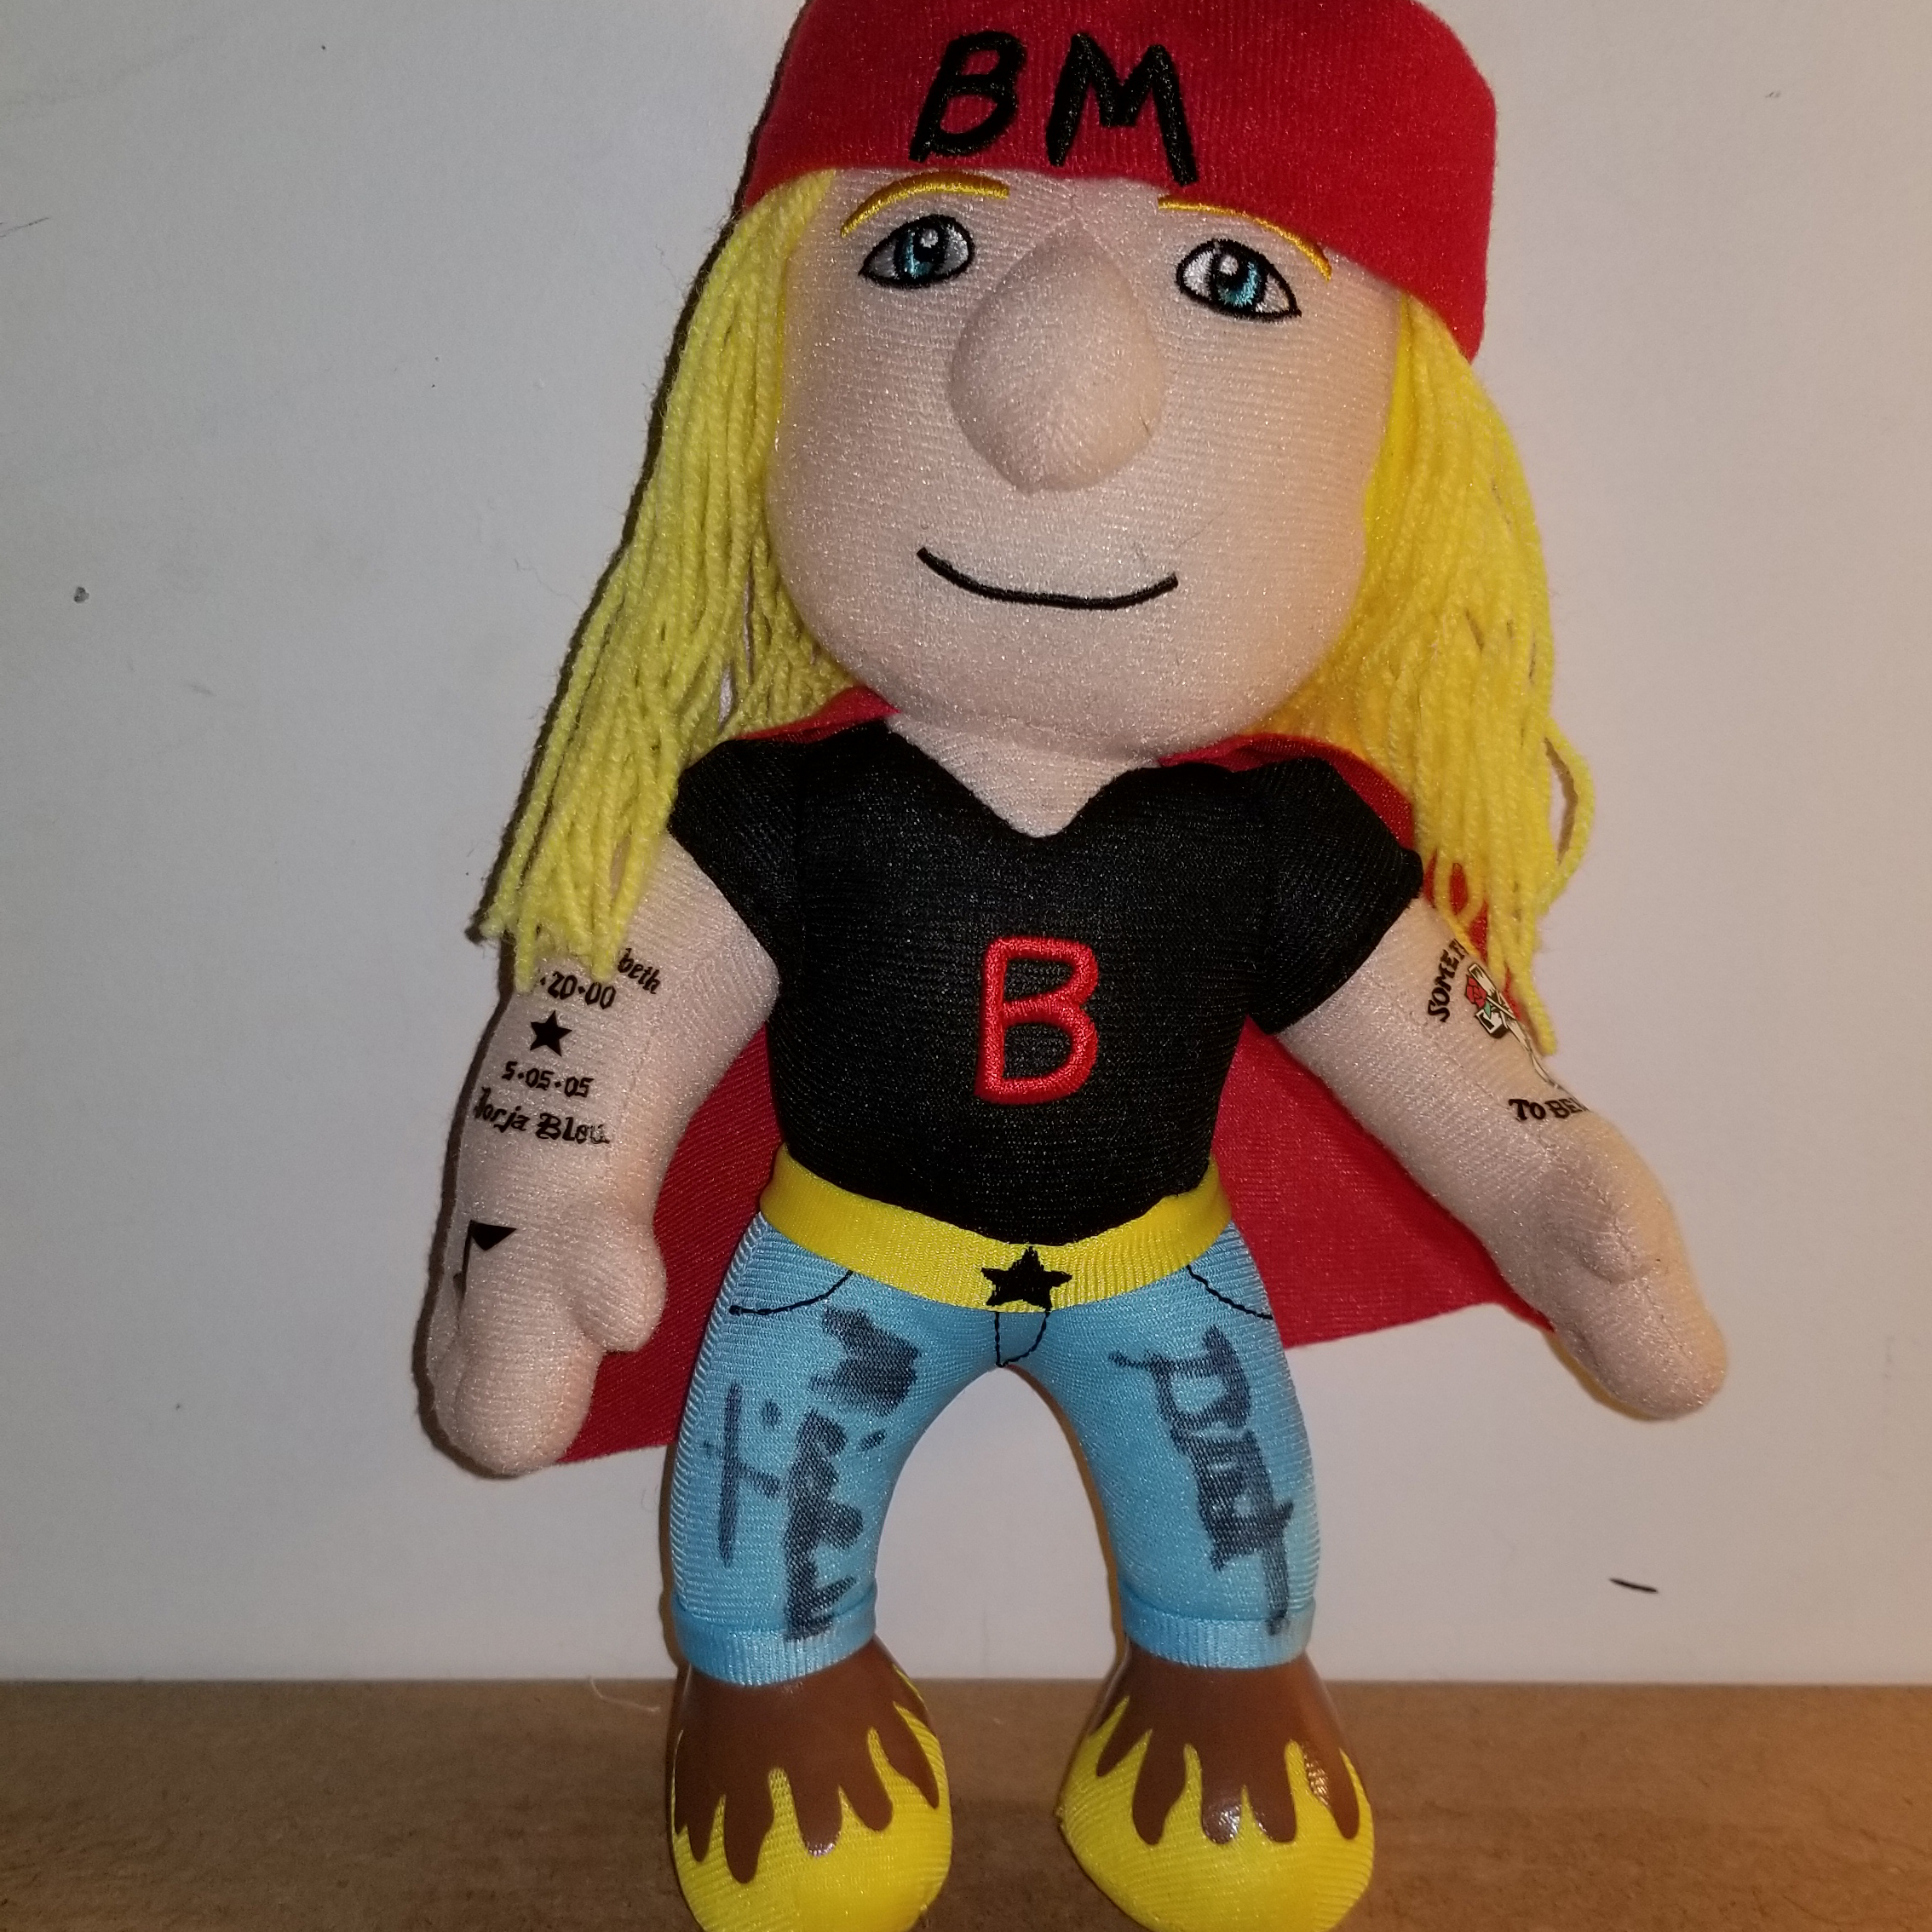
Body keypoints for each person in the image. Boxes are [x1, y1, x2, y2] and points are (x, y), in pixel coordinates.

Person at [426, 8, 1727, 1929]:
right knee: (769, 1528)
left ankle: (1220, 1697)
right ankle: (773, 1694)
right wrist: (540, 1223)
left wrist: (1558, 1187)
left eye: (1233, 281)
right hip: (844, 1257)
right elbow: (597, 1025)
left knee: (1232, 1529)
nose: (1051, 409)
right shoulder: (779, 816)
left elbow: (1445, 1045)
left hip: (1157, 1267)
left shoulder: (1279, 841)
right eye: (925, 249)